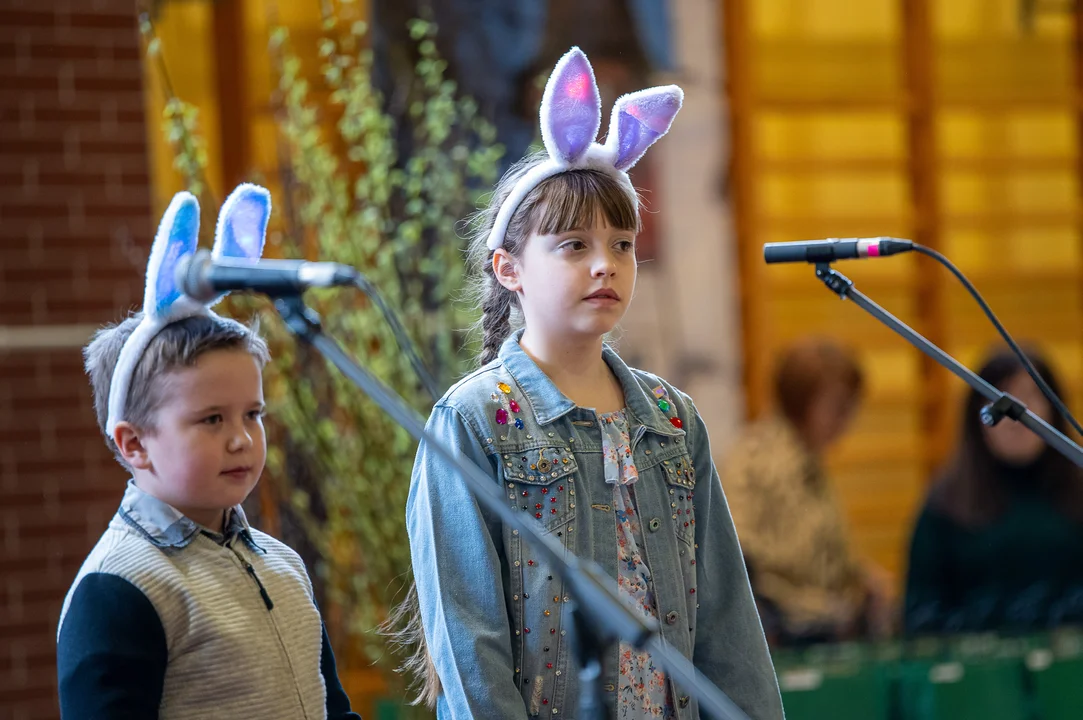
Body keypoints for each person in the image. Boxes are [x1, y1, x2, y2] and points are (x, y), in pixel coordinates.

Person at [400, 47, 783, 719]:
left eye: (622, 245)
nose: (604, 265)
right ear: (509, 268)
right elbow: (468, 642)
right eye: (574, 245)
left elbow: (726, 617)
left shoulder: (671, 417)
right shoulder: (473, 419)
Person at [56, 186, 360, 719]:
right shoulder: (119, 588)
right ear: (135, 443)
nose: (242, 438)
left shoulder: (282, 563)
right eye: (212, 419)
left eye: (253, 414)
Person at [722, 338, 894, 646]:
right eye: (838, 407)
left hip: (817, 618)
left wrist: (862, 579)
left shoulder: (808, 457)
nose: (847, 420)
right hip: (785, 628)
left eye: (850, 407)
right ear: (802, 401)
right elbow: (739, 555)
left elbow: (824, 556)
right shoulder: (760, 461)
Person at [905, 348, 1083, 635]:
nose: (1017, 415)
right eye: (1001, 397)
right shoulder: (946, 502)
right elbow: (919, 613)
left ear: (1054, 408)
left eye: (1030, 396)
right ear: (979, 414)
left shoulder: (1078, 490)